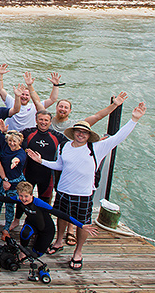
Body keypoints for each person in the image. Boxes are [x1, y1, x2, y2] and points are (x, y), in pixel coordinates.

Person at [26, 101, 146, 271]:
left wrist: (133, 119)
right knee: (61, 217)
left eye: (84, 132)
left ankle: (78, 252)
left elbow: (119, 137)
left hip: (83, 194)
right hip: (62, 191)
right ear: (73, 132)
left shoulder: (98, 147)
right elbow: (59, 166)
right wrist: (42, 161)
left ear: (89, 135)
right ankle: (59, 241)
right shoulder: (65, 146)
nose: (81, 134)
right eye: (78, 131)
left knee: (83, 223)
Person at [0, 182, 96, 257]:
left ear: (31, 195)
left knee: (37, 254)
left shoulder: (39, 203)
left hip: (46, 230)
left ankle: (37, 243)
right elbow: (4, 199)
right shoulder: (19, 199)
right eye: (21, 196)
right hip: (32, 225)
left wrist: (80, 225)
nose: (23, 199)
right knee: (24, 233)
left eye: (26, 196)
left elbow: (60, 213)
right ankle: (23, 251)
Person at [0, 123, 27, 238]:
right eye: (10, 141)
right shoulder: (4, 144)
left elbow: (18, 159)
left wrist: (15, 161)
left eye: (15, 142)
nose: (12, 144)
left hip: (13, 183)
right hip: (0, 180)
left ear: (20, 142)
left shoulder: (21, 153)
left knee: (9, 206)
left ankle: (7, 228)